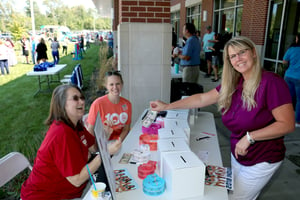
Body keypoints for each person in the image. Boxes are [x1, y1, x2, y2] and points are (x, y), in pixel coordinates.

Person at [150, 36, 295, 200]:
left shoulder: (271, 82)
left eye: (242, 52)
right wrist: (167, 106)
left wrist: (250, 137)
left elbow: (287, 124)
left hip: (262, 157)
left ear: (254, 52)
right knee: (234, 194)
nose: (238, 59)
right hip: (238, 153)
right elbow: (202, 99)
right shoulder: (235, 82)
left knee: (235, 198)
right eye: (233, 56)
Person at [20, 85, 100, 199]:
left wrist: (104, 134)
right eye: (75, 98)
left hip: (73, 191)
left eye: (82, 97)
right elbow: (77, 179)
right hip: (45, 196)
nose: (82, 101)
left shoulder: (76, 124)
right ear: (62, 105)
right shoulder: (61, 133)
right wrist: (102, 157)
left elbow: (93, 148)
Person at [87, 71, 132, 143]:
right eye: (111, 84)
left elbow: (126, 129)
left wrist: (118, 142)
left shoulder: (127, 104)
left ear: (122, 84)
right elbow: (90, 130)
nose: (115, 87)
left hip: (121, 142)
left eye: (118, 84)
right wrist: (95, 148)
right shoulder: (98, 104)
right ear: (106, 86)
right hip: (103, 144)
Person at [283, 33, 300, 127]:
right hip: (299, 78)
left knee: (287, 98)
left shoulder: (292, 49)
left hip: (288, 76)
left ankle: (284, 118)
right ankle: (297, 122)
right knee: (299, 100)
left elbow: (284, 61)